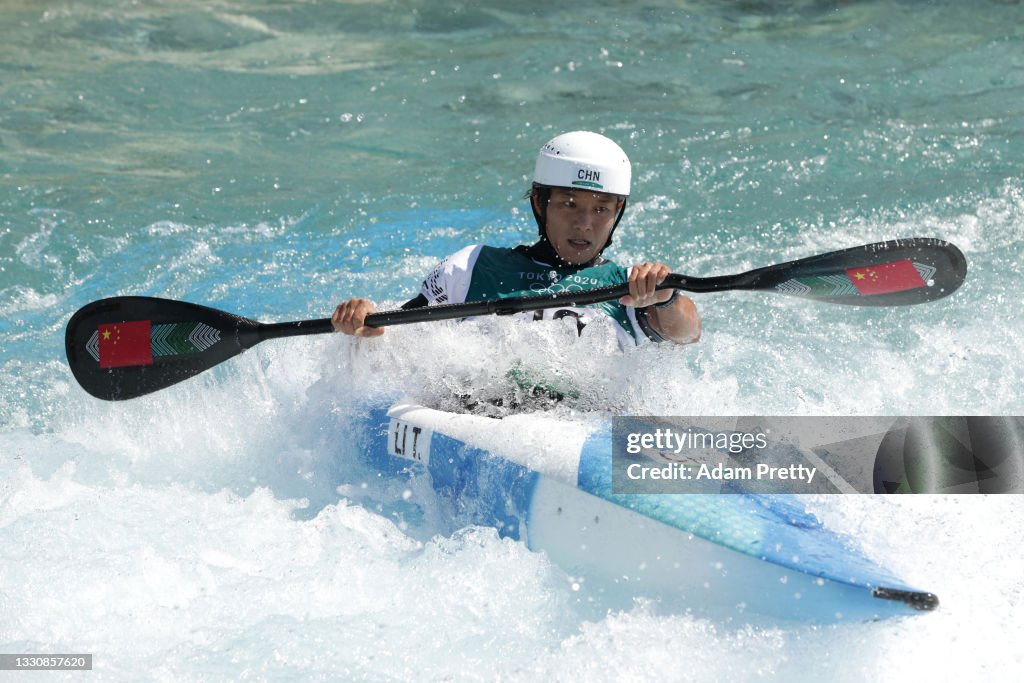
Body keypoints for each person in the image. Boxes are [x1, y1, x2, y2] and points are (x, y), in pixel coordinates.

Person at [332, 131, 701, 347]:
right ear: (540, 202)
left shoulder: (629, 286)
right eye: (570, 205)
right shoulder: (473, 266)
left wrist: (667, 297)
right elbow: (400, 330)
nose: (585, 224)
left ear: (617, 212)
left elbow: (687, 333)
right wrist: (367, 319)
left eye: (602, 209)